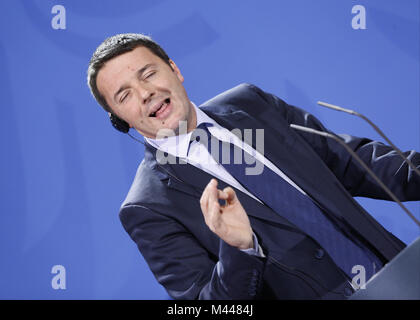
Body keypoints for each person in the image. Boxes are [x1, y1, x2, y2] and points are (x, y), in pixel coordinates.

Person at [87, 33, 419, 299]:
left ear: (175, 69)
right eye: (125, 95)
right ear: (121, 121)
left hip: (400, 274)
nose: (145, 93)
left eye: (148, 74)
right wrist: (239, 248)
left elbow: (357, 164)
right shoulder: (147, 207)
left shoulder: (250, 104)